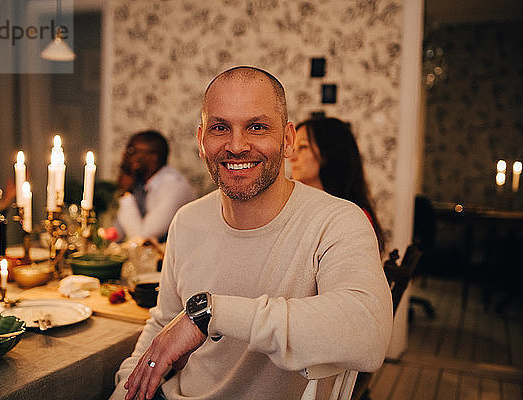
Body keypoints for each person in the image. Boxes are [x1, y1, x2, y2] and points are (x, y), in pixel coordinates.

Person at [110, 67, 392, 400]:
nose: (237, 145)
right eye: (220, 128)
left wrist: (211, 314)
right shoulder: (186, 221)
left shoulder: (337, 221)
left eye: (256, 127)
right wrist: (128, 384)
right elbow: (164, 322)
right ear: (202, 141)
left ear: (287, 140)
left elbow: (368, 333)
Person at [290, 117, 385, 252]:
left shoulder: (353, 217)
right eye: (293, 148)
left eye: (303, 147)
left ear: (328, 153)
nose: (292, 157)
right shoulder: (291, 208)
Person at [113, 130, 196, 243]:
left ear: (153, 157)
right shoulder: (140, 183)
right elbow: (117, 233)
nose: (125, 156)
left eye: (131, 151)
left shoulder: (174, 186)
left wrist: (125, 194)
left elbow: (142, 239)